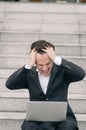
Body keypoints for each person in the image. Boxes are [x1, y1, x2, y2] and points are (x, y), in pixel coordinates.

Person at [6, 40, 85, 130]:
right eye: (40, 65)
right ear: (35, 61)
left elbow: (80, 74)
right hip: (36, 120)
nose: (44, 68)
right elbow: (10, 84)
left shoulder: (62, 71)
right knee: (28, 127)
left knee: (67, 127)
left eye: (48, 63)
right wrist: (29, 65)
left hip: (63, 119)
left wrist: (56, 58)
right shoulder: (29, 74)